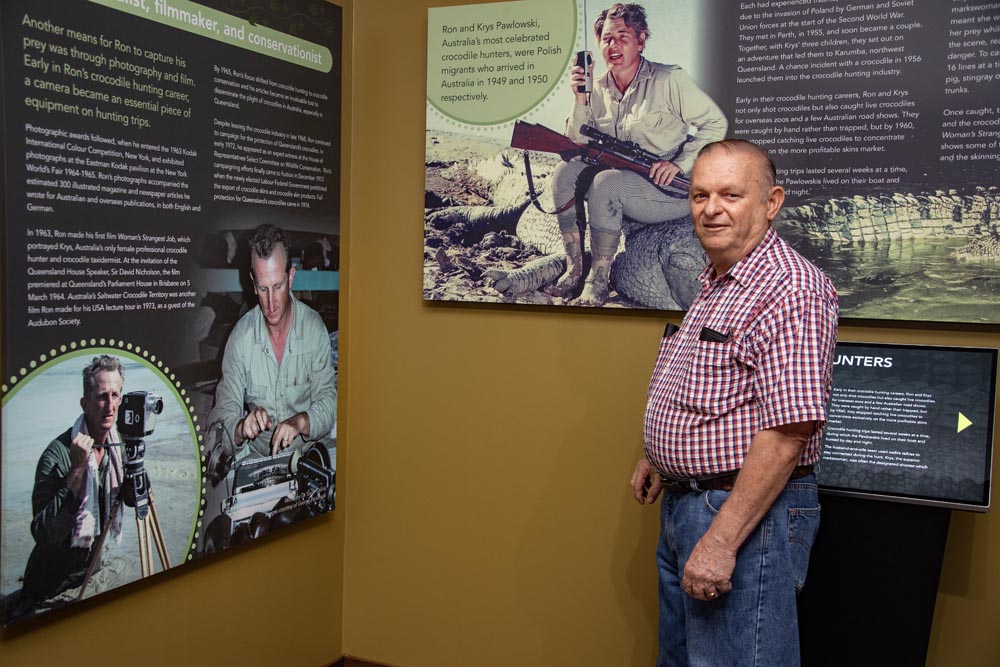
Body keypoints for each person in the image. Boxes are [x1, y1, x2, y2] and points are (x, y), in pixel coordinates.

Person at [629, 140, 839, 666]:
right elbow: (716, 390)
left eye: (730, 194)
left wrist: (721, 543)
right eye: (700, 194)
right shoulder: (717, 280)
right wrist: (660, 456)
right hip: (687, 506)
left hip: (740, 518)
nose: (710, 208)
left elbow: (789, 433)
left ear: (772, 202)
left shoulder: (790, 289)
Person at [546, 2, 728, 306]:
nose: (612, 45)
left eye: (622, 36)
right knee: (564, 173)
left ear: (641, 40)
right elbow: (575, 142)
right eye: (606, 38)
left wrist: (679, 164)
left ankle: (598, 280)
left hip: (668, 189)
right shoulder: (597, 87)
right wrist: (579, 97)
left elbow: (715, 124)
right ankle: (574, 269)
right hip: (626, 178)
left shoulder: (669, 80)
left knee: (607, 184)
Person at [208, 224, 337, 463]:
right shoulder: (240, 338)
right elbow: (219, 419)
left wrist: (301, 421)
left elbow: (329, 401)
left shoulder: (314, 327)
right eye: (263, 288)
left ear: (291, 277)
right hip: (260, 462)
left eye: (277, 286)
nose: (271, 302)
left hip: (308, 458)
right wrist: (240, 428)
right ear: (252, 283)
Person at [18, 355, 126, 612]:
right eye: (102, 396)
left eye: (115, 395)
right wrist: (77, 472)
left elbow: (131, 501)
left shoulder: (117, 445)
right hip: (49, 589)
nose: (109, 406)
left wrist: (136, 466)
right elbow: (42, 534)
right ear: (85, 403)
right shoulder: (56, 455)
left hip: (90, 575)